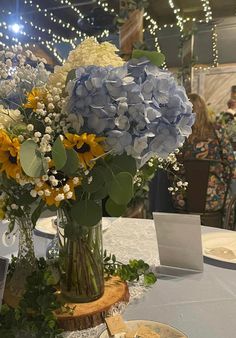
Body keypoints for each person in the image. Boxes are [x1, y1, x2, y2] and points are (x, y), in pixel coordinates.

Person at [169, 93, 236, 227]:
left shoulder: (178, 135)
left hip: (183, 202)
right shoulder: (218, 132)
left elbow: (170, 169)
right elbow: (232, 167)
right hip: (213, 202)